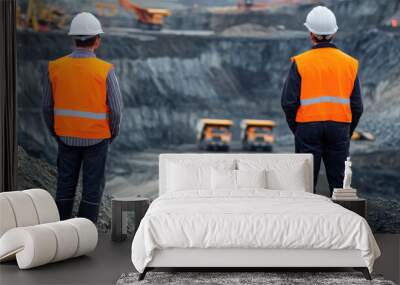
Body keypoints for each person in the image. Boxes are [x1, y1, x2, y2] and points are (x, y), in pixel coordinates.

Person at [42, 12, 123, 223]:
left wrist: (57, 131)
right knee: (92, 189)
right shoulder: (105, 70)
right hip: (97, 140)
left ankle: (60, 232)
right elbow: (116, 110)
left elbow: (46, 107)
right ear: (97, 40)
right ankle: (84, 235)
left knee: (65, 185)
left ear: (73, 39)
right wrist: (110, 134)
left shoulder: (55, 68)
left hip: (66, 137)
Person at [281, 6, 363, 193]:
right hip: (339, 128)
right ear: (334, 33)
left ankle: (308, 220)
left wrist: (298, 128)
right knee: (340, 185)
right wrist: (347, 130)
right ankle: (343, 219)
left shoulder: (301, 62)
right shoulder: (349, 64)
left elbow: (288, 103)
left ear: (311, 34)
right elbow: (357, 106)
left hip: (307, 128)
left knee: (306, 184)